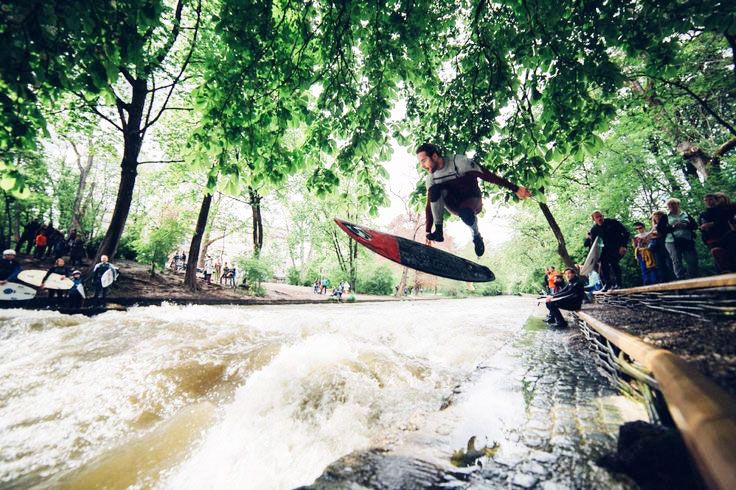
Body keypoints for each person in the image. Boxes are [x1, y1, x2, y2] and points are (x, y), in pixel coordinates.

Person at [416, 143, 531, 256]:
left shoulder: (459, 162)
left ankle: (476, 235)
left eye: (424, 160)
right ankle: (438, 231)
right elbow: (430, 206)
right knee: (434, 190)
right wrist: (428, 232)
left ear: (435, 156)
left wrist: (515, 189)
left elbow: (487, 175)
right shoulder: (431, 178)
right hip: (454, 204)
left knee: (466, 214)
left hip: (471, 200)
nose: (423, 165)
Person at [584, 211, 630, 291]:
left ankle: (619, 284)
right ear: (593, 219)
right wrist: (594, 256)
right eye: (597, 217)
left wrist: (623, 246)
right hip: (603, 251)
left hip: (616, 248)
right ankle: (607, 284)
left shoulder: (612, 223)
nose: (599, 218)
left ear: (603, 216)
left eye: (600, 216)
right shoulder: (594, 229)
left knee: (614, 263)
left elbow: (626, 232)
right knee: (604, 266)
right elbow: (591, 244)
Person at [699, 193, 735, 273]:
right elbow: (701, 227)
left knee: (731, 255)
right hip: (712, 238)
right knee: (718, 257)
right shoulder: (703, 214)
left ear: (715, 200)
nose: (708, 202)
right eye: (706, 200)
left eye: (710, 199)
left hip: (726, 235)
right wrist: (704, 236)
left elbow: (725, 219)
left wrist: (713, 224)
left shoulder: (725, 209)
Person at [665, 198, 699, 280]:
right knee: (676, 261)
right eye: (669, 205)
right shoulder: (665, 217)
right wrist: (673, 227)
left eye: (673, 204)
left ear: (678, 204)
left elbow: (695, 226)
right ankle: (680, 280)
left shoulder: (685, 214)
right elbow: (662, 230)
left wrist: (686, 225)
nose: (671, 206)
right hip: (672, 241)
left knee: (692, 260)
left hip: (687, 240)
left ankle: (694, 279)